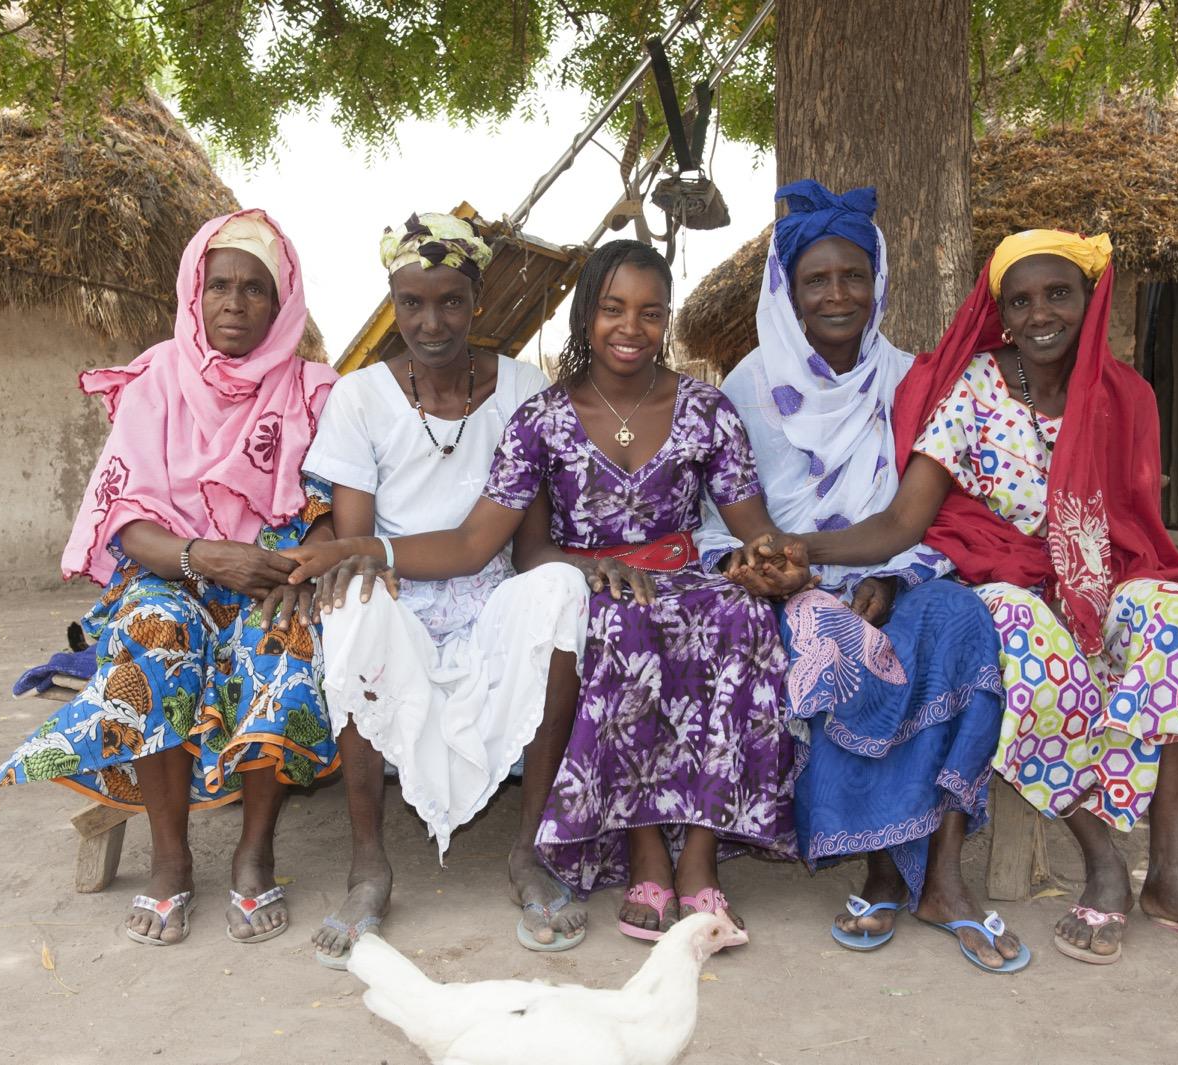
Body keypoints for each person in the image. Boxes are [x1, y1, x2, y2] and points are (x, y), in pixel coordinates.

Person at [785, 228, 1178, 968]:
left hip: (1098, 580)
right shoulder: (976, 389)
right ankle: (1104, 862)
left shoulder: (1126, 396)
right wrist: (801, 550)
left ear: (1091, 298)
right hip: (1000, 581)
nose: (1040, 313)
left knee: (1176, 617)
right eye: (1019, 301)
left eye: (1058, 294)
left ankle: (1173, 875)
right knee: (1024, 629)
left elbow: (1134, 526)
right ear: (1002, 313)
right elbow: (902, 522)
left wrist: (1096, 593)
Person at [286, 240, 809, 943]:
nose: (631, 327)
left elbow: (754, 529)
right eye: (613, 309)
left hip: (684, 575)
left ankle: (700, 858)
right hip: (590, 577)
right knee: (619, 622)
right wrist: (359, 549)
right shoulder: (543, 416)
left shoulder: (706, 409)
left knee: (741, 615)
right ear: (586, 314)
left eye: (651, 313)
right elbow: (498, 544)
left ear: (667, 319)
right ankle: (646, 852)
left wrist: (776, 564)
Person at [0, 209, 339, 947]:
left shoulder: (314, 391)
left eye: (255, 289)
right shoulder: (156, 380)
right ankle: (171, 858)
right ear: (194, 294)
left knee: (283, 637)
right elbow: (125, 519)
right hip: (171, 570)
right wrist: (205, 556)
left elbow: (332, 509)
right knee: (155, 631)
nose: (234, 303)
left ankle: (254, 850)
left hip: (272, 574)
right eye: (219, 286)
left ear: (282, 305)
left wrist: (302, 566)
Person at [696, 182, 1023, 972]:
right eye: (817, 280)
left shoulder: (911, 380)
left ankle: (941, 874)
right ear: (789, 291)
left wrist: (897, 579)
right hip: (787, 589)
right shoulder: (747, 387)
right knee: (835, 638)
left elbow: (929, 515)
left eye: (853, 276)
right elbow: (720, 525)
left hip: (893, 572)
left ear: (878, 282)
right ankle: (880, 867)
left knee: (959, 621)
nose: (838, 294)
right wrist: (770, 571)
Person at [298, 213, 590, 967]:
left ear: (477, 301)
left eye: (451, 301)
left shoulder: (524, 388)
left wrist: (579, 570)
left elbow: (524, 543)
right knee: (352, 602)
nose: (432, 322)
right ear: (393, 304)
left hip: (490, 591)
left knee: (560, 589)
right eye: (412, 303)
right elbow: (358, 546)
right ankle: (369, 866)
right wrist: (375, 565)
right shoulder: (360, 398)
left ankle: (529, 851)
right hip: (398, 593)